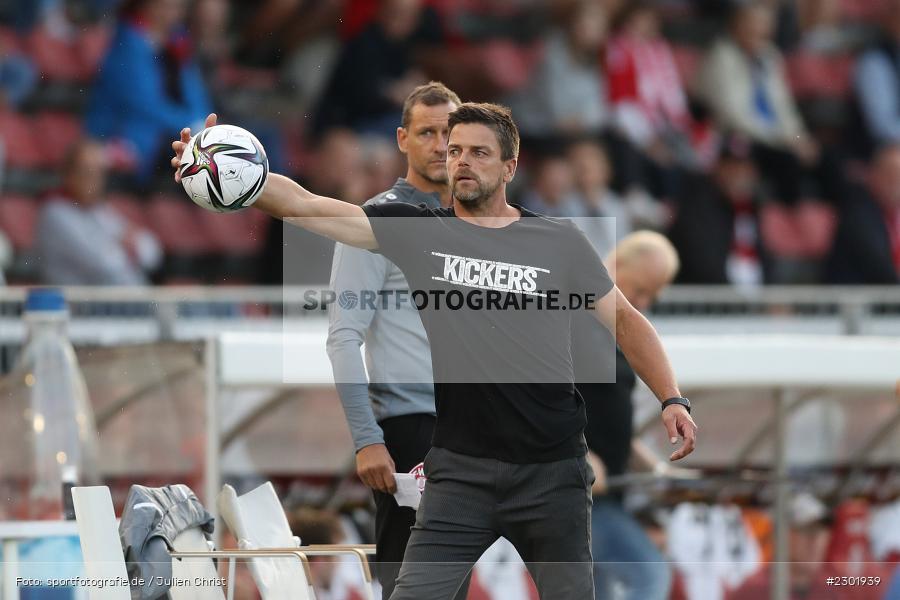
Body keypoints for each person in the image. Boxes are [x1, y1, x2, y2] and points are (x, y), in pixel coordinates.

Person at [172, 103, 697, 599]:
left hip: (551, 472)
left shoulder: (557, 241)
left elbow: (627, 321)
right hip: (460, 474)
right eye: (455, 151)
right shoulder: (420, 232)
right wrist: (223, 168)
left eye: (479, 152)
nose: (461, 161)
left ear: (510, 167)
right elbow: (307, 205)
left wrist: (672, 398)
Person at [325, 81, 464, 599]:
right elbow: (344, 338)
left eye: (450, 134)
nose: (440, 145)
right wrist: (367, 439)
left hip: (468, 426)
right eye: (427, 133)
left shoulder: (471, 223)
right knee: (412, 582)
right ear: (402, 139)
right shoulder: (375, 222)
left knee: (452, 583)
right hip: (409, 429)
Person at [572, 231, 680, 600]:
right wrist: (578, 452)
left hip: (603, 493)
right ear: (616, 265)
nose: (644, 302)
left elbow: (604, 416)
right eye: (640, 289)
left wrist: (655, 469)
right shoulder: (572, 315)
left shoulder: (615, 328)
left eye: (653, 295)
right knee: (649, 574)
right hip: (575, 493)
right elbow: (538, 394)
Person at [694, 1, 819, 205]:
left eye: (764, 26)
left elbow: (784, 107)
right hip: (737, 139)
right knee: (788, 163)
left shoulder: (769, 56)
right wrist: (783, 140)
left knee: (825, 161)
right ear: (737, 25)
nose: (759, 32)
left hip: (776, 140)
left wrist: (799, 139)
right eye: (753, 25)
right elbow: (734, 117)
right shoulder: (721, 58)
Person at [86, 0, 212, 184]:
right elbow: (144, 103)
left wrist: (203, 124)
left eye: (178, 7)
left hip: (169, 131)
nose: (174, 13)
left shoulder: (178, 39)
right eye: (167, 6)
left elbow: (194, 91)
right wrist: (190, 126)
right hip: (128, 132)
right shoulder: (128, 42)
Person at [37, 140, 162, 285]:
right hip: (79, 299)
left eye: (99, 172)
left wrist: (126, 246)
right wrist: (126, 246)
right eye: (86, 171)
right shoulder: (54, 213)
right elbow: (105, 264)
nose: (94, 179)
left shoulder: (100, 210)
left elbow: (152, 254)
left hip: (123, 296)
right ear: (68, 174)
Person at [825, 144, 900, 284]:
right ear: (873, 174)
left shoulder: (895, 214)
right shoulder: (858, 210)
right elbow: (879, 267)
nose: (896, 182)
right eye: (890, 174)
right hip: (854, 295)